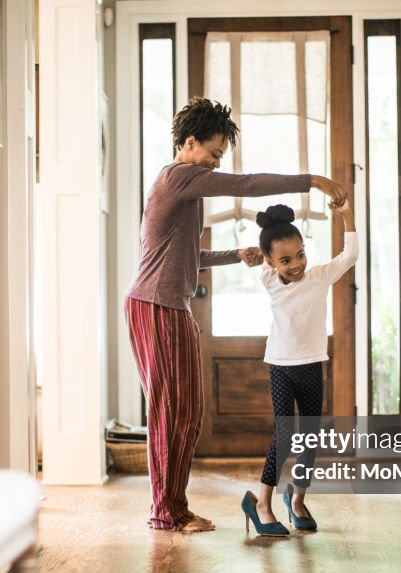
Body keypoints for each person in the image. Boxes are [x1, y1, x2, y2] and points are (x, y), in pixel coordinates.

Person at [125, 97, 348, 533]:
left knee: (188, 412)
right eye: (212, 154)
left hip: (172, 305)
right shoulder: (178, 177)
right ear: (189, 143)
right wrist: (312, 180)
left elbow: (189, 255)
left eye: (219, 158)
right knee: (170, 412)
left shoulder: (184, 188)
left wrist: (235, 255)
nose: (214, 165)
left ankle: (176, 506)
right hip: (154, 306)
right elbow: (245, 185)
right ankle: (164, 513)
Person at [241, 201, 358, 535]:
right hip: (280, 365)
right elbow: (250, 258)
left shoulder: (320, 275)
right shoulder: (268, 277)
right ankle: (261, 504)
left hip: (311, 365)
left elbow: (349, 256)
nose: (296, 264)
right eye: (286, 260)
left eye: (300, 254)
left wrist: (346, 215)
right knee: (284, 433)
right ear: (271, 261)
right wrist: (245, 255)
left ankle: (296, 500)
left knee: (309, 436)